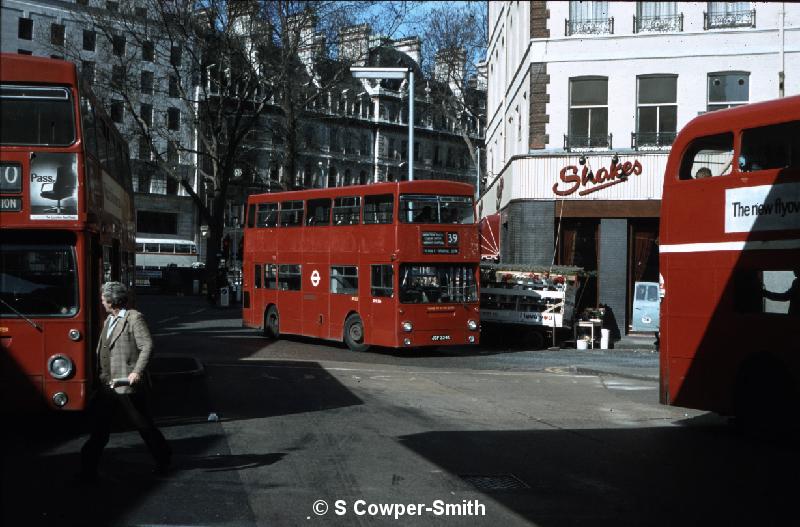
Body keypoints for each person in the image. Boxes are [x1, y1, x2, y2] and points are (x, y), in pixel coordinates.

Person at [79, 282, 171, 483]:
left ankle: (164, 461)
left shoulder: (133, 318)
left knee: (144, 426)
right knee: (100, 430)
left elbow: (147, 346)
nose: (101, 301)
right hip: (109, 384)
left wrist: (137, 372)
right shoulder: (108, 321)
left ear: (112, 300)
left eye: (103, 298)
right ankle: (87, 470)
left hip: (127, 384)